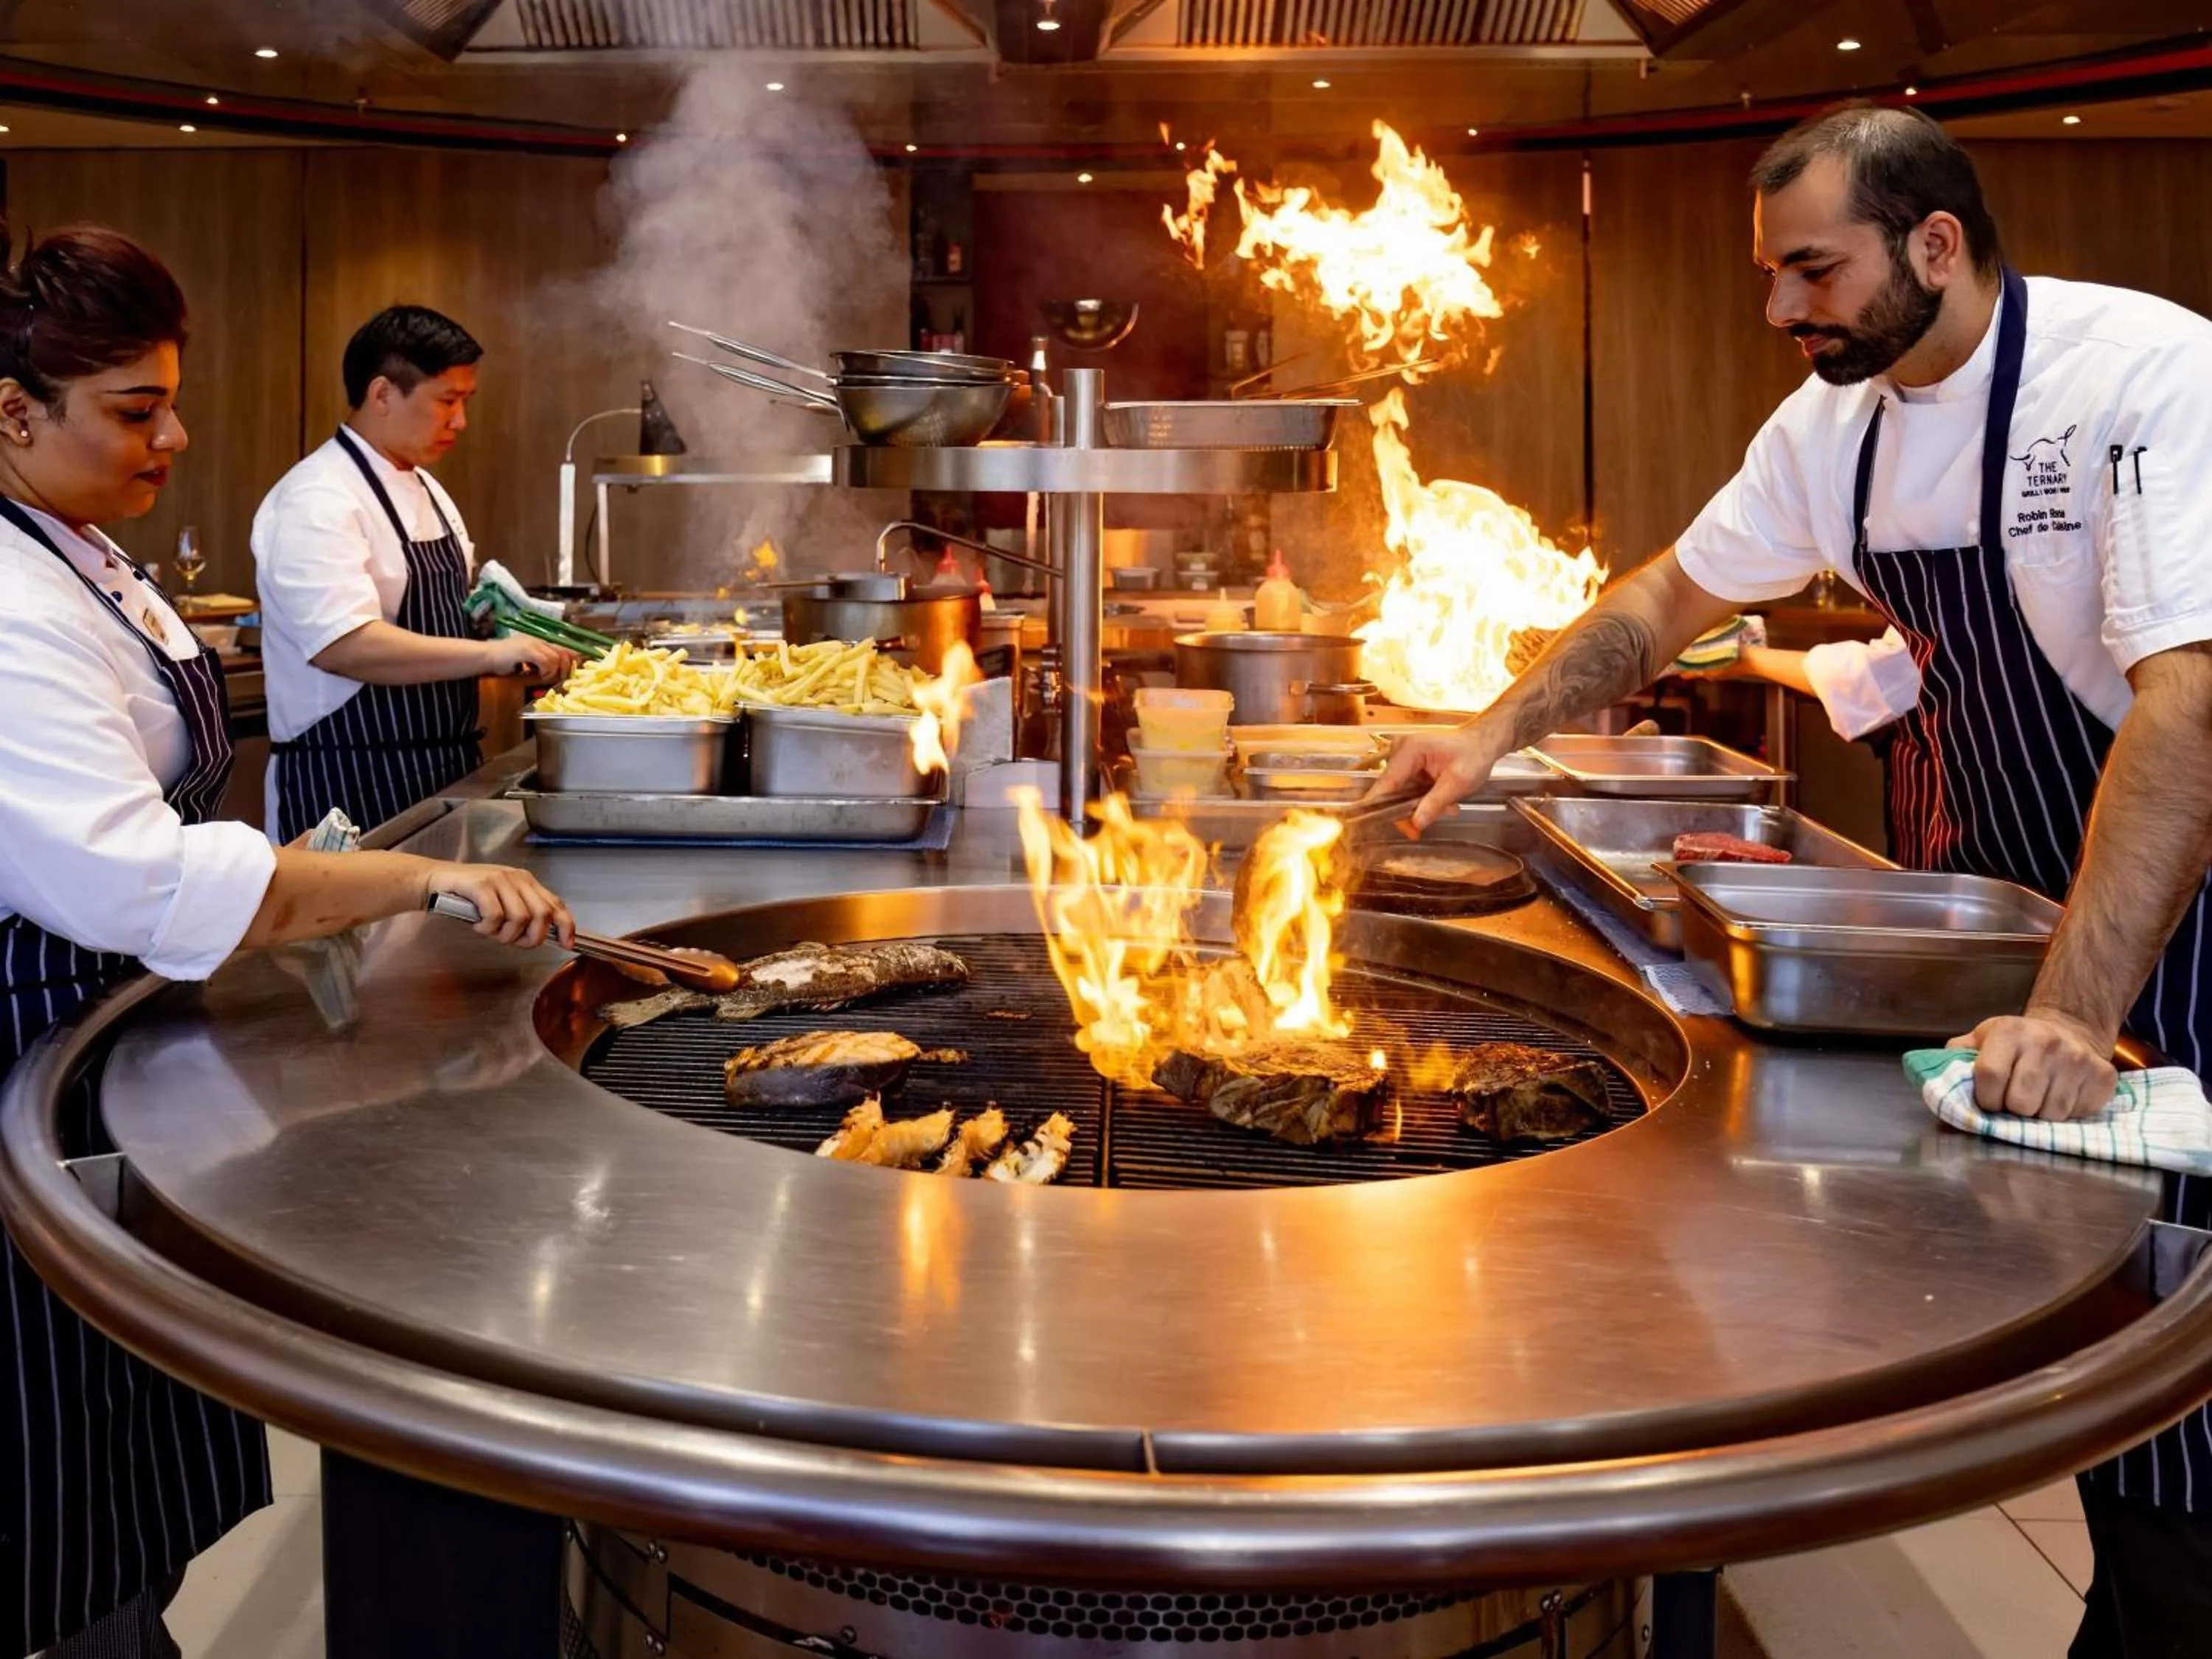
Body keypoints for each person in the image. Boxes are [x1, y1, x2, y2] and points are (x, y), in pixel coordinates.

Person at [1380, 103, 2212, 1657]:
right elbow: (1663, 600)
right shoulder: (1834, 426)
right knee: (2090, 1366)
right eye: (1774, 276)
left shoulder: (2145, 377)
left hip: (2179, 918)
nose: (1780, 310)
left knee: (2188, 1407)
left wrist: (2080, 1010)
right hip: (2006, 925)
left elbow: (2189, 702)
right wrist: (1487, 733)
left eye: (1811, 273)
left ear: (1936, 245)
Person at [0, 223, 573, 1657]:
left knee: (126, 1463)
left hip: (111, 1043)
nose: (177, 436)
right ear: (13, 414)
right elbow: (137, 883)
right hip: (24, 1071)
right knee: (55, 1485)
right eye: (136, 410)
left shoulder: (80, 556)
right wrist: (403, 884)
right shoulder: (9, 608)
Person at [252, 305, 573, 844]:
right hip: (347, 784)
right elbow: (346, 647)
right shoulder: (318, 498)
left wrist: (509, 644)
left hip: (443, 771)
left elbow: (450, 623)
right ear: (382, 395)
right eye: (447, 402)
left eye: (465, 402)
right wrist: (491, 656)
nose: (461, 421)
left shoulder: (428, 489)